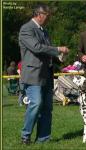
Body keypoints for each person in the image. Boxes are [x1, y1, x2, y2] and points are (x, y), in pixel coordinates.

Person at [18, 4, 69, 144]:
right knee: (36, 103)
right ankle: (25, 135)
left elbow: (47, 52)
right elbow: (37, 47)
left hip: (46, 74)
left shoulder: (44, 31)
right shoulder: (26, 29)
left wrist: (60, 57)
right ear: (39, 14)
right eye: (48, 16)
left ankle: (43, 138)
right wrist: (58, 48)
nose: (49, 18)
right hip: (33, 74)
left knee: (47, 107)